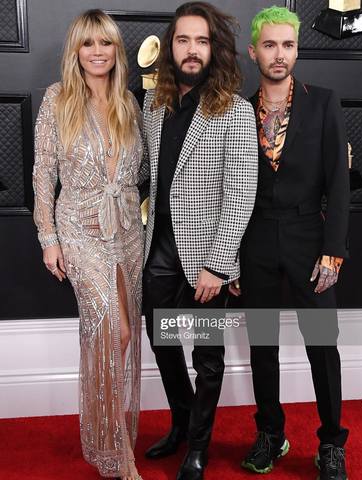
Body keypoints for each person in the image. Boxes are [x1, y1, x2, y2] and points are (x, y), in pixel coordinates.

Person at [139, 2, 258, 479]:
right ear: (171, 47)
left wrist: (218, 264)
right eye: (184, 40)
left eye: (202, 41)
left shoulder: (234, 110)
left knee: (206, 356)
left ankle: (199, 448)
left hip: (207, 259)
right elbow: (147, 173)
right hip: (160, 253)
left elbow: (241, 192)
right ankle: (183, 423)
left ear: (215, 48)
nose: (192, 50)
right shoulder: (153, 105)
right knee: (162, 340)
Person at [230, 6, 350, 480]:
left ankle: (331, 443)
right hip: (255, 239)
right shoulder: (237, 109)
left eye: (289, 45)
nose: (280, 55)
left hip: (309, 238)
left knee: (322, 344)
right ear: (253, 50)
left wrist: (334, 250)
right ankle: (270, 433)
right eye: (270, 45)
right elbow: (229, 189)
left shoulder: (323, 102)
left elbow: (338, 184)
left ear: (297, 49)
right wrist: (230, 257)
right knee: (262, 344)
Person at [33, 10, 144, 480]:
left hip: (126, 233)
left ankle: (107, 431)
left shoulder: (129, 103)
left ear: (116, 50)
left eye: (106, 43)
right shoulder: (58, 100)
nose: (98, 52)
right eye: (88, 43)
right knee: (108, 331)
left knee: (126, 334)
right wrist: (48, 238)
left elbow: (140, 174)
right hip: (78, 231)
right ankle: (117, 453)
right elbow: (43, 172)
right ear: (75, 51)